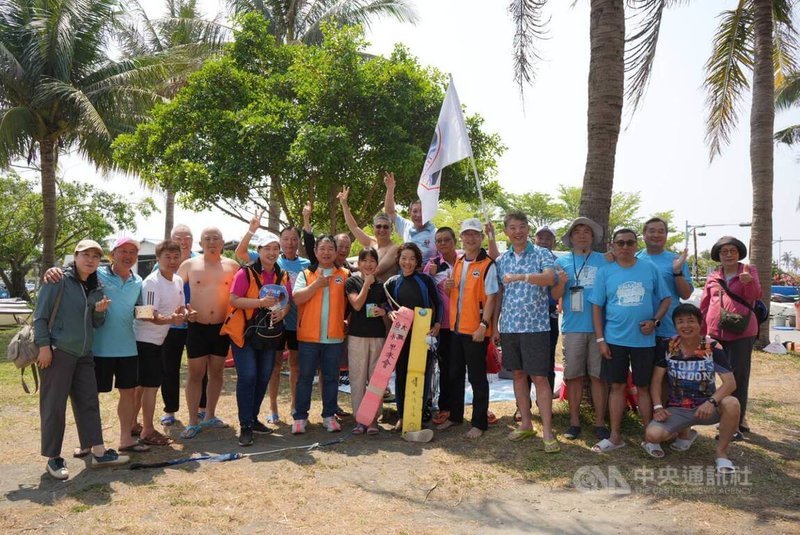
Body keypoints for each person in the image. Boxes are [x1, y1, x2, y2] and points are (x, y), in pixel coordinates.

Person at [34, 240, 128, 479]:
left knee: (88, 401)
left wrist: (99, 312)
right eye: (85, 255)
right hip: (58, 352)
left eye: (95, 257)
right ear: (75, 257)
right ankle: (53, 458)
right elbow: (40, 317)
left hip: (85, 353)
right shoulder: (57, 280)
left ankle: (97, 450)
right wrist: (44, 346)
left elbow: (96, 324)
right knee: (54, 406)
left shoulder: (96, 287)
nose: (90, 260)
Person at [589, 228, 671, 455]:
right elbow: (596, 307)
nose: (625, 247)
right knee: (616, 386)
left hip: (644, 342)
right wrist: (600, 339)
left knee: (643, 387)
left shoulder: (649, 268)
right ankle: (615, 437)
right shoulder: (605, 273)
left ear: (636, 245)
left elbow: (666, 299)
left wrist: (654, 321)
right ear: (613, 246)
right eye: (620, 243)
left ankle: (649, 437)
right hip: (614, 340)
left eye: (629, 243)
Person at [492, 211, 560, 453]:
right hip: (510, 327)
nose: (518, 231)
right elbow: (499, 295)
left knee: (540, 378)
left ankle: (549, 432)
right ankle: (526, 424)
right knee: (518, 375)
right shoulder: (501, 261)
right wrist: (494, 325)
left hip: (536, 327)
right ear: (506, 232)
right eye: (513, 227)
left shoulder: (542, 253)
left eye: (522, 226)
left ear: (528, 228)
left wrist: (522, 276)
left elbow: (550, 278)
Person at [645, 304, 740, 473]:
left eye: (691, 321)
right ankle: (685, 433)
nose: (686, 326)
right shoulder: (669, 346)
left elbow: (730, 383)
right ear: (674, 325)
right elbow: (656, 381)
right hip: (678, 408)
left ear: (700, 323)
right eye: (680, 321)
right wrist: (658, 407)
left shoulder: (711, 347)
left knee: (732, 403)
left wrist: (712, 401)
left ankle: (721, 454)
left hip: (707, 408)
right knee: (652, 435)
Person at [236, 214, 310, 423]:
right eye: (285, 238)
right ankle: (273, 408)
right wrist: (251, 230)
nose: (290, 242)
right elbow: (240, 252)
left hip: (296, 321)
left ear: (298, 242)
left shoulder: (306, 263)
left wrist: (306, 221)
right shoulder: (269, 257)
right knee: (274, 366)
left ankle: (295, 408)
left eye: (294, 239)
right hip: (271, 324)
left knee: (295, 365)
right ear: (279, 242)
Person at [226, 232, 290, 447]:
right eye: (267, 249)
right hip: (244, 332)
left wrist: (283, 312)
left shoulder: (283, 274)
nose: (272, 253)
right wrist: (260, 303)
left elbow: (286, 300)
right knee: (248, 375)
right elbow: (233, 299)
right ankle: (245, 425)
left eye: (275, 249)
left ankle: (253, 419)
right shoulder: (246, 272)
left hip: (268, 334)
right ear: (259, 251)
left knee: (264, 375)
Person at [177, 227, 241, 439]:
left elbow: (243, 292)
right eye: (207, 239)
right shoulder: (189, 265)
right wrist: (185, 311)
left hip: (221, 328)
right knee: (195, 374)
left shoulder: (232, 266)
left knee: (217, 372)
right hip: (197, 327)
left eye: (216, 239)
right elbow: (174, 294)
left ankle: (210, 415)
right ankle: (193, 420)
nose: (211, 242)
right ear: (200, 243)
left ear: (223, 243)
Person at [437, 219, 497, 439]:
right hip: (456, 330)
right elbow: (455, 293)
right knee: (454, 374)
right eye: (466, 234)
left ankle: (479, 422)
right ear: (461, 238)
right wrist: (448, 287)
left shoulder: (487, 264)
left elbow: (491, 297)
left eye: (474, 234)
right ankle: (455, 416)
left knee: (477, 377)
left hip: (476, 331)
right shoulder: (460, 262)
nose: (470, 238)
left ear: (481, 237)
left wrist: (484, 325)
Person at [551, 217, 610, 441]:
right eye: (578, 231)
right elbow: (555, 296)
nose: (583, 235)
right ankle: (574, 422)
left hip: (600, 329)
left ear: (593, 237)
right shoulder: (562, 262)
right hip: (572, 328)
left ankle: (600, 423)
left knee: (598, 377)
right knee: (573, 376)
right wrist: (562, 283)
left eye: (587, 231)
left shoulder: (605, 260)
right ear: (571, 237)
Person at [699, 236, 761, 440]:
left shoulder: (748, 271)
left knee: (739, 377)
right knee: (717, 376)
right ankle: (728, 414)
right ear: (718, 255)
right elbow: (705, 304)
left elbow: (756, 295)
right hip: (716, 333)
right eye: (723, 251)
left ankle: (735, 422)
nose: (728, 254)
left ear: (738, 253)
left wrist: (748, 282)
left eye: (732, 250)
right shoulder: (714, 276)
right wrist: (701, 331)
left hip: (742, 332)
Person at [291, 235, 349, 434]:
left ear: (335, 252)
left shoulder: (345, 274)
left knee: (332, 378)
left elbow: (351, 302)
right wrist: (317, 284)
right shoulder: (306, 274)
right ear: (315, 252)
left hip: (334, 337)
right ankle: (299, 417)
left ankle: (329, 416)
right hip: (308, 337)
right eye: (322, 249)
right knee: (305, 377)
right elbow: (297, 298)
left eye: (330, 249)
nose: (326, 252)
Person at [384, 243, 442, 431]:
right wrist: (390, 313)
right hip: (401, 335)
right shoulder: (393, 282)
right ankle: (402, 415)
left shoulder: (425, 280)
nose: (407, 262)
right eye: (403, 258)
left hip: (422, 334)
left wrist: (437, 324)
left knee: (420, 374)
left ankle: (415, 414)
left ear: (417, 261)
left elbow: (438, 304)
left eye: (411, 258)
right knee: (401, 374)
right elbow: (388, 306)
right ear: (398, 260)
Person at [134, 240, 186, 448]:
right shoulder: (152, 282)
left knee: (143, 387)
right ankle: (147, 429)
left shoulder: (179, 280)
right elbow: (146, 313)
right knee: (149, 387)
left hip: (160, 340)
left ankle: (133, 424)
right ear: (158, 259)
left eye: (176, 257)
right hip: (144, 341)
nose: (172, 262)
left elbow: (180, 308)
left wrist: (185, 313)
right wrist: (170, 320)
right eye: (167, 257)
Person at [160, 224, 207, 426]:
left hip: (197, 324)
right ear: (172, 239)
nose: (183, 240)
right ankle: (170, 411)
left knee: (199, 369)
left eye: (187, 237)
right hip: (171, 326)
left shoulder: (201, 261)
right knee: (169, 368)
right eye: (179, 237)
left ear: (192, 239)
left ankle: (202, 408)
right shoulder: (160, 265)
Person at [345, 248, 389, 435]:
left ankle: (373, 420)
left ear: (377, 264)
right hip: (356, 336)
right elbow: (356, 304)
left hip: (377, 335)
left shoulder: (382, 286)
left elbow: (387, 308)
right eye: (365, 260)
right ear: (359, 263)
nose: (369, 264)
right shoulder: (352, 282)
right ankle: (360, 419)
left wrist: (384, 311)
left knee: (376, 380)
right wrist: (367, 284)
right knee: (357, 378)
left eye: (372, 261)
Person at [636, 217, 693, 352]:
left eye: (661, 231)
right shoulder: (634, 259)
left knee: (671, 371)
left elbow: (685, 295)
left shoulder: (676, 260)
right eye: (652, 231)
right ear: (644, 235)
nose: (656, 235)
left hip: (669, 329)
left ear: (666, 235)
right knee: (644, 372)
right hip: (640, 329)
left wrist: (677, 272)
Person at [424, 227, 459, 426]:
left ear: (454, 240)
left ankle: (460, 407)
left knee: (461, 368)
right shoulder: (432, 265)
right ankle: (445, 407)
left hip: (465, 322)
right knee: (445, 367)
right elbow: (428, 295)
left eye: (447, 239)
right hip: (443, 324)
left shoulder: (464, 261)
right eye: (439, 241)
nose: (443, 243)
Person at [338, 187, 399, 278]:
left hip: (381, 290)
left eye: (386, 227)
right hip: (365, 288)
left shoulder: (394, 249)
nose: (382, 230)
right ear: (374, 228)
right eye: (378, 226)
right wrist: (344, 204)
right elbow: (354, 227)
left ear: (391, 230)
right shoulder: (371, 242)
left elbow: (376, 270)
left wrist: (356, 273)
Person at [383, 171, 437, 265]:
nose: (419, 215)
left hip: (425, 277)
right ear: (410, 213)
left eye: (422, 211)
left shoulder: (435, 233)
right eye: (415, 211)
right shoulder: (406, 226)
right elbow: (389, 212)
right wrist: (390, 189)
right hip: (406, 273)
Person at [534, 225, 561, 394]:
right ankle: (523, 404)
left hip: (549, 313)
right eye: (540, 238)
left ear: (554, 242)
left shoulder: (558, 262)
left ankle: (546, 399)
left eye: (548, 238)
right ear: (534, 239)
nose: (543, 241)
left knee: (548, 357)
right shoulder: (526, 258)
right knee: (526, 360)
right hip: (529, 315)